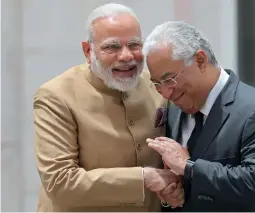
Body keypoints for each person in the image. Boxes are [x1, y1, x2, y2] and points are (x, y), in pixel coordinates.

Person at [33, 4, 182, 212]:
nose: (126, 56)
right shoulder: (56, 96)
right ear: (88, 50)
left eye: (134, 45)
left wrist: (173, 190)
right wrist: (143, 178)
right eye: (112, 47)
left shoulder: (157, 86)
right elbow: (60, 182)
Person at [144, 21, 255, 212]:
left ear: (200, 60)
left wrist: (189, 168)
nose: (166, 92)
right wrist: (170, 191)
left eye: (169, 79)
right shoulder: (173, 107)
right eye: (157, 83)